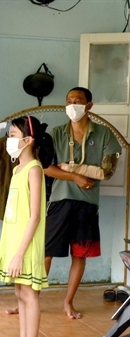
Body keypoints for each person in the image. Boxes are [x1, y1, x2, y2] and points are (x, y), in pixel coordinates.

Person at [7, 87, 122, 319]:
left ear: (89, 106)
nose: (72, 105)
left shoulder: (104, 134)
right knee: (45, 252)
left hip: (87, 203)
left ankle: (68, 302)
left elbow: (107, 171)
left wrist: (67, 167)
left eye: (77, 101)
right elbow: (46, 167)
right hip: (60, 200)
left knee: (79, 255)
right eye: (69, 100)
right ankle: (30, 301)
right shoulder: (57, 134)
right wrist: (76, 175)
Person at [0, 116, 50, 337]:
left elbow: (35, 217)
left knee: (29, 295)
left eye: (13, 135)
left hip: (27, 246)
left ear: (28, 140)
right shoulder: (17, 169)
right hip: (15, 244)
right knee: (20, 294)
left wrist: (19, 253)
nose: (9, 140)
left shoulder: (34, 169)